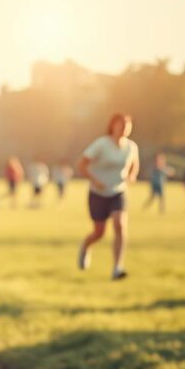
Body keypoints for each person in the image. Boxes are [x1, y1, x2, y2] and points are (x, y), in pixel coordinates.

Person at [77, 113, 140, 280]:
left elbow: (134, 165)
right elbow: (82, 165)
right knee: (99, 232)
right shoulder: (101, 144)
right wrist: (95, 181)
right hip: (98, 193)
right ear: (113, 125)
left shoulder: (131, 147)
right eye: (121, 124)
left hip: (118, 191)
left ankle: (117, 268)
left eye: (127, 124)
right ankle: (85, 245)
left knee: (120, 224)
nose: (124, 127)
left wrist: (131, 175)